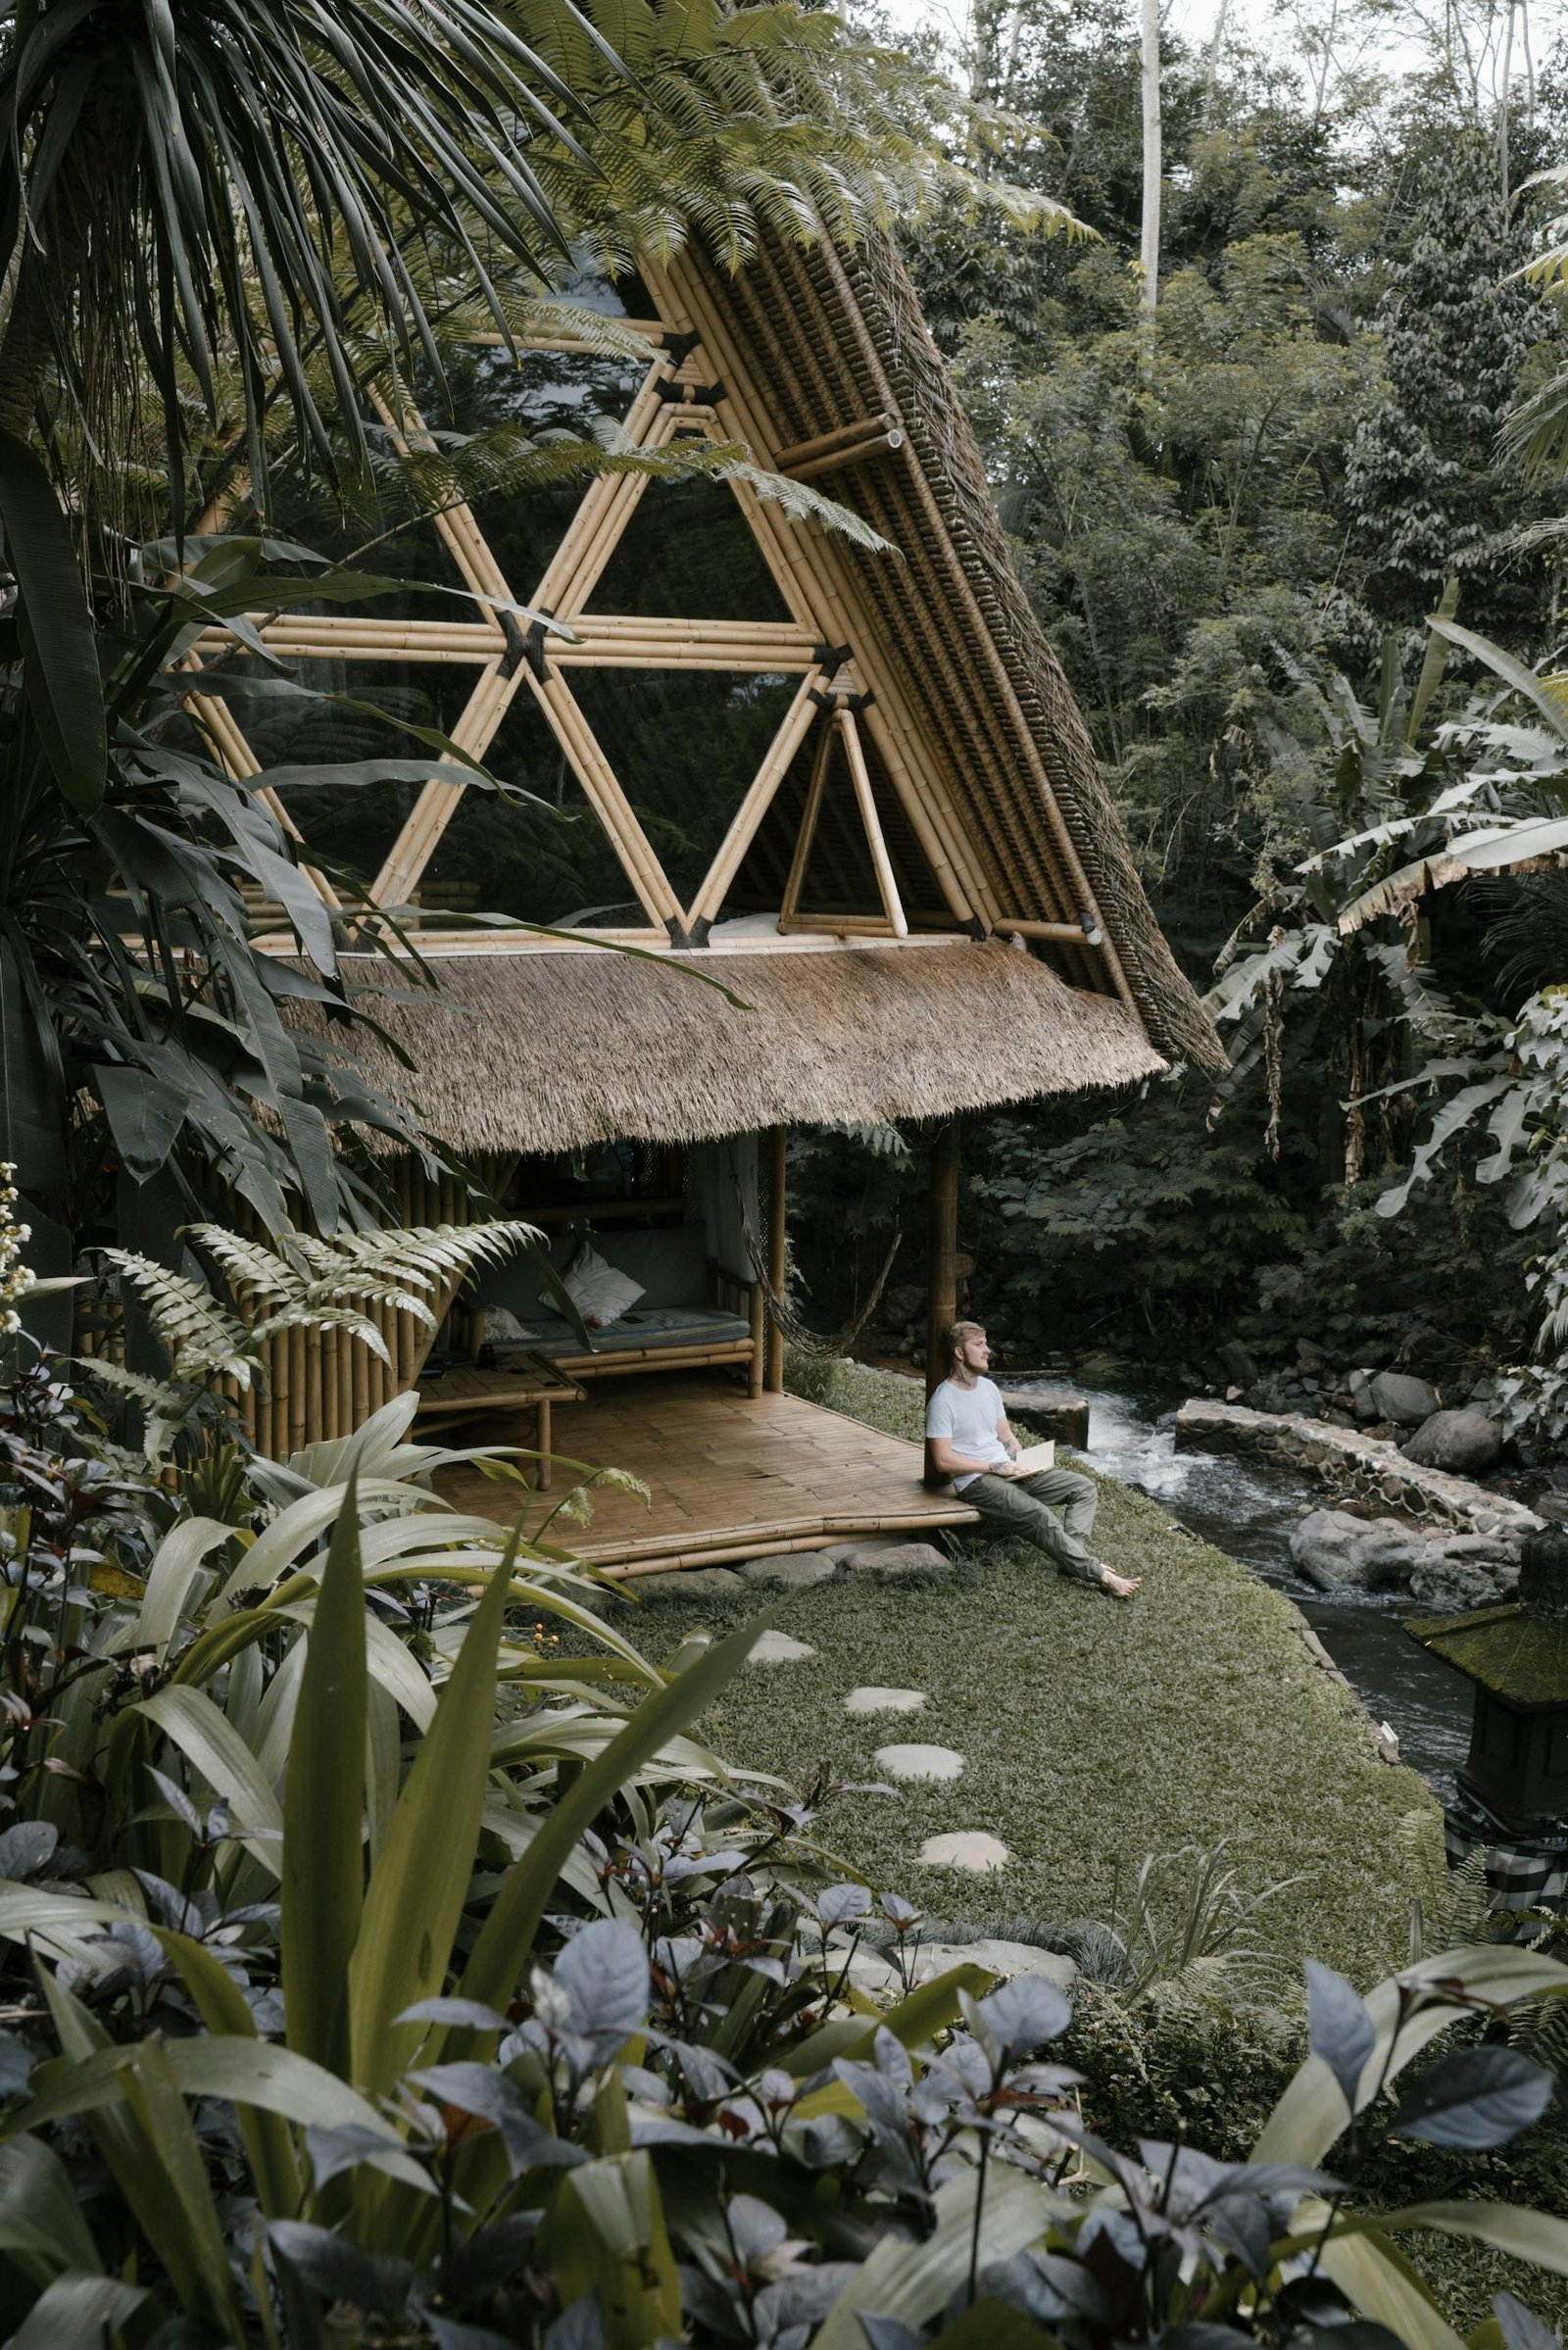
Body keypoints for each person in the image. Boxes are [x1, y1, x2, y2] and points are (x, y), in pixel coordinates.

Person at [925, 1320, 1142, 1599]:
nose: (987, 1350)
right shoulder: (943, 1401)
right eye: (978, 1345)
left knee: (1083, 1487)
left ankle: (1073, 1556)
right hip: (977, 1480)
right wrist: (995, 1467)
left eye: (986, 1343)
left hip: (1010, 1471)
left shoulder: (989, 1389)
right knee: (1039, 1515)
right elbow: (943, 1461)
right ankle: (1101, 1575)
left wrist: (1023, 1460)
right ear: (959, 1353)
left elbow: (1006, 1437)